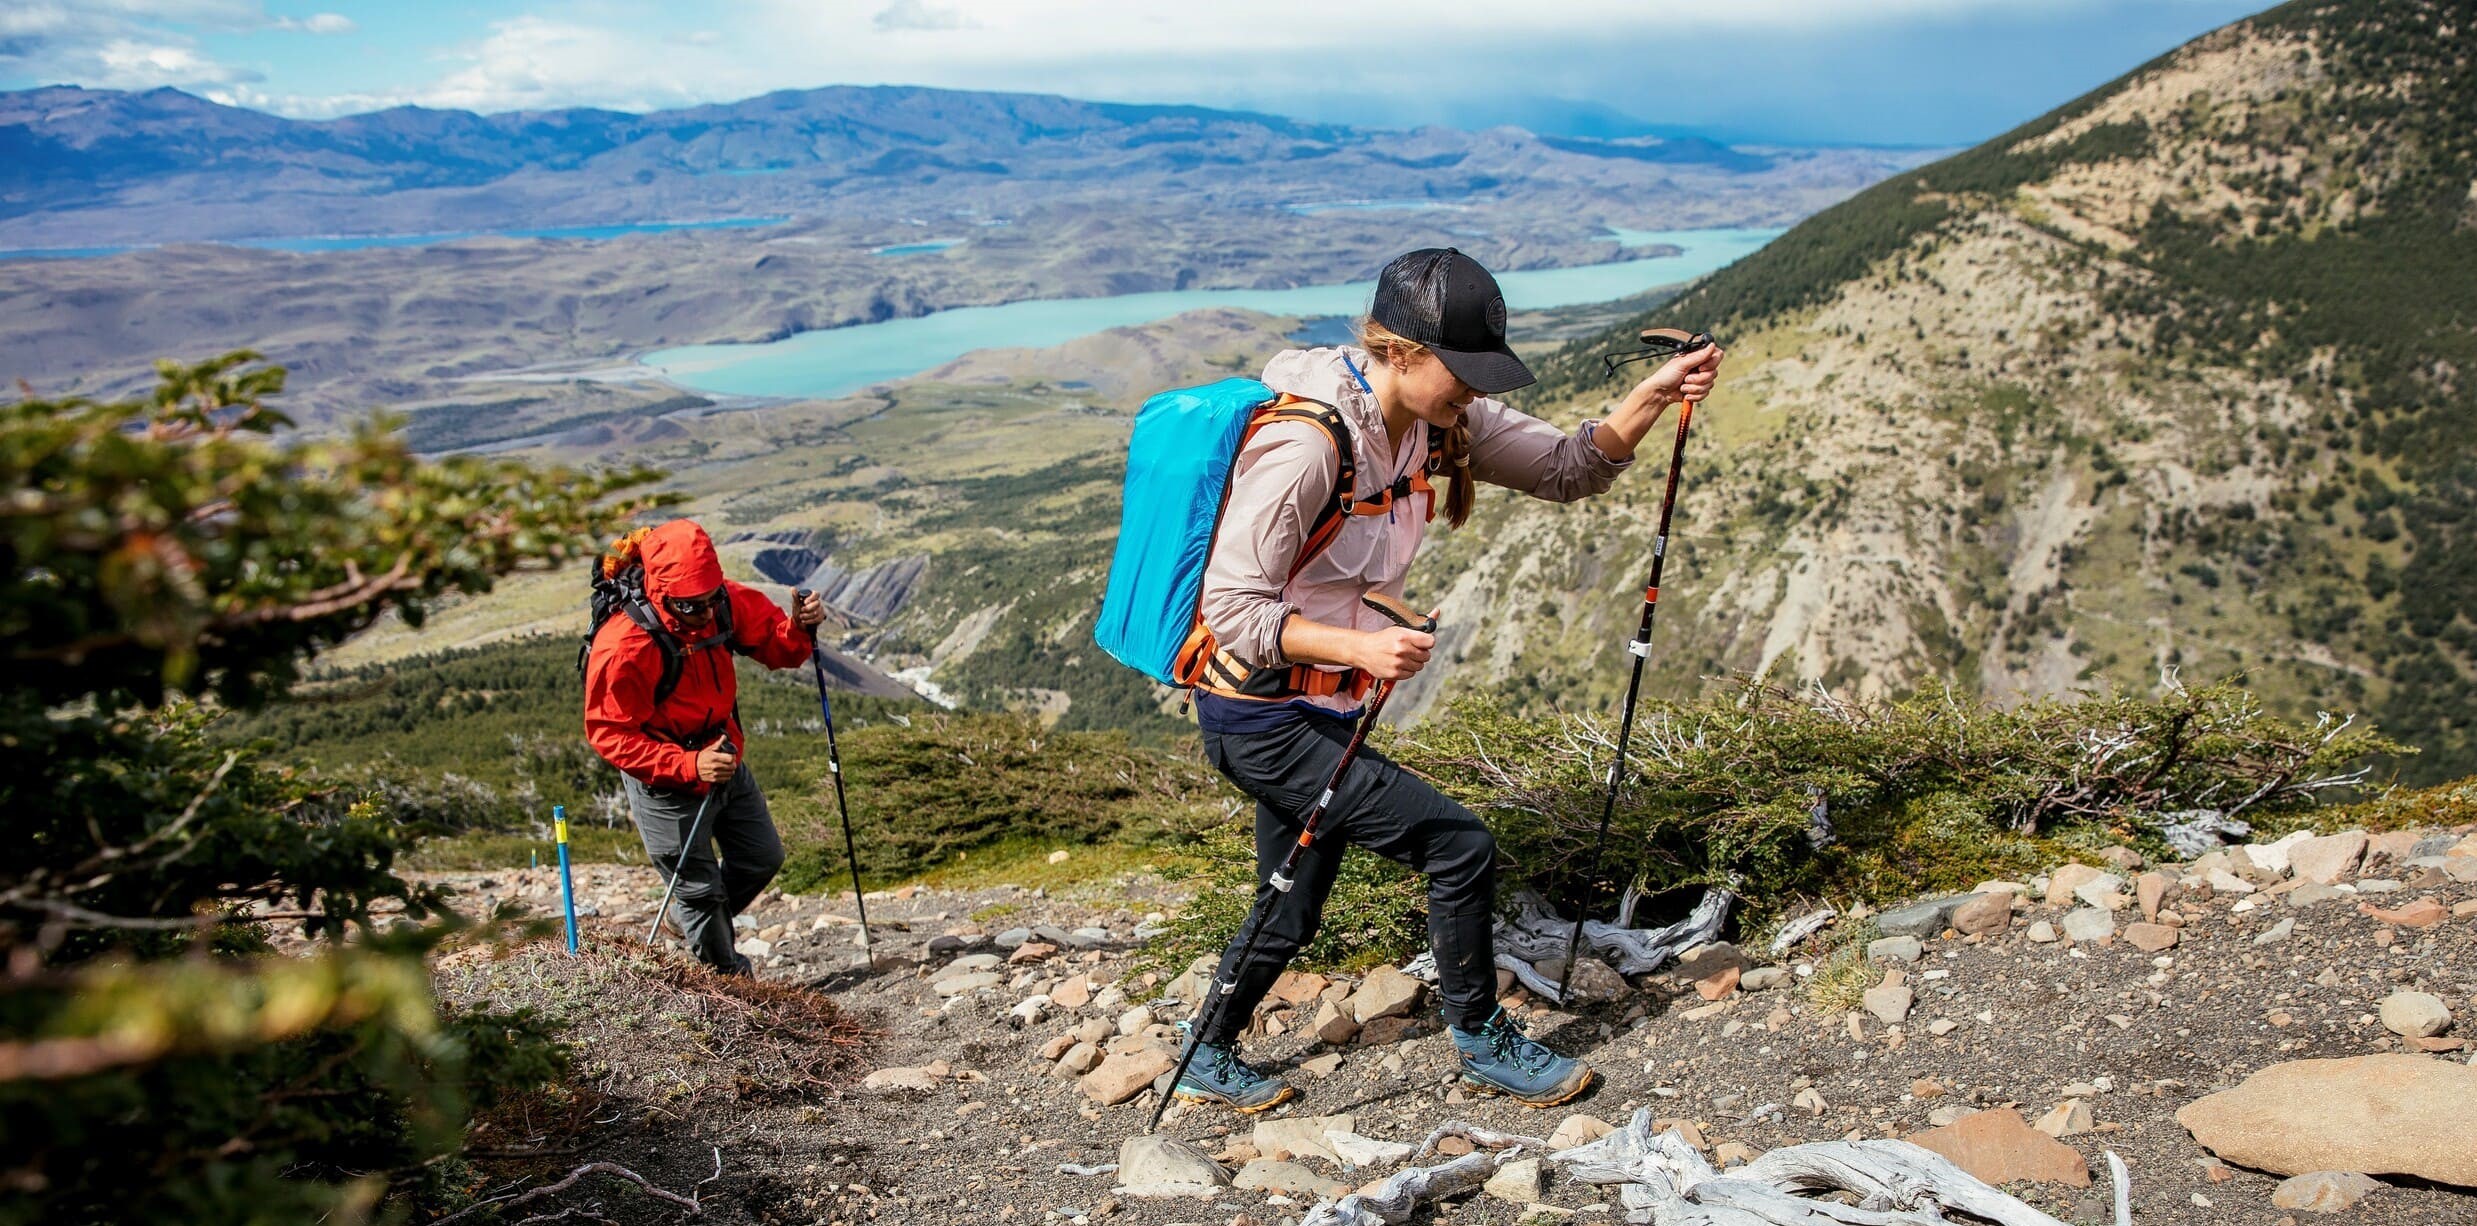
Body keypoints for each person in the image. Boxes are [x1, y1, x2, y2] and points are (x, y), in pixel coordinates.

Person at [1176, 248, 1724, 1112]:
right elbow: (1232, 611)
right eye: (1459, 372)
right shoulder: (1302, 447)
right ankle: (1479, 1039)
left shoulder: (1438, 421)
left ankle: (1205, 1051)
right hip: (1260, 717)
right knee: (1457, 843)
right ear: (1397, 351)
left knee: (1291, 902)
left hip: (1322, 710)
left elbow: (1566, 468)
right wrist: (1359, 650)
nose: (1472, 389)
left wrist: (1654, 394)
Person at [583, 518, 827, 973]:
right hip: (663, 776)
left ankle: (690, 921)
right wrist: (688, 765)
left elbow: (779, 648)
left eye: (710, 601)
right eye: (691, 607)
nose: (705, 615)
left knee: (761, 856)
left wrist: (797, 627)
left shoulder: (720, 599)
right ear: (661, 591)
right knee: (700, 889)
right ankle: (730, 986)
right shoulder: (624, 645)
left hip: (723, 753)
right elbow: (609, 733)